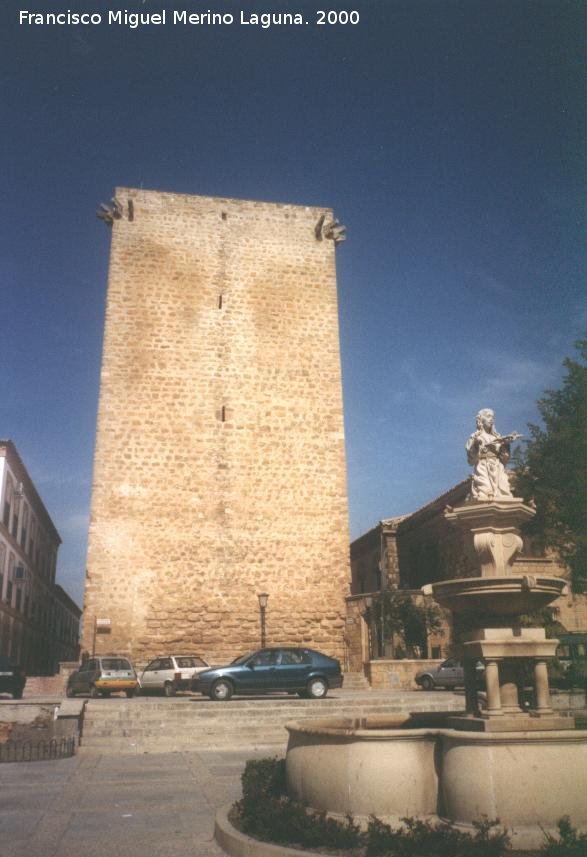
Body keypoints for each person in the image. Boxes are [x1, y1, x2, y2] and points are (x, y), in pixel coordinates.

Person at [466, 409, 521, 500]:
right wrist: (476, 445)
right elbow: (471, 459)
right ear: (481, 420)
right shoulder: (475, 436)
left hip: (497, 467)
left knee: (504, 491)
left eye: (493, 417)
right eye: (488, 416)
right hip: (483, 467)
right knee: (485, 492)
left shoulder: (497, 437)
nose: (491, 419)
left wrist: (506, 444)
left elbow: (504, 458)